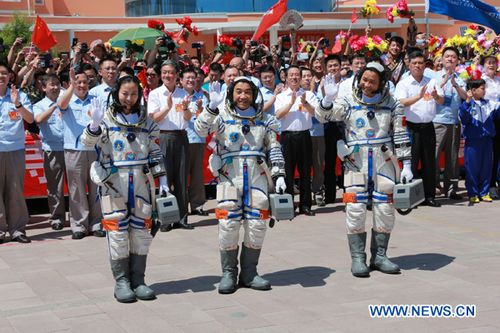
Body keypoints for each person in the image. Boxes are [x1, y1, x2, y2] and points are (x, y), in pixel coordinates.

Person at [315, 62, 413, 277]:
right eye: (364, 79)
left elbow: (401, 134)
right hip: (356, 162)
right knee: (355, 210)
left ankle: (380, 256)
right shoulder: (349, 100)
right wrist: (327, 99)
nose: (367, 84)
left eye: (372, 81)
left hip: (384, 161)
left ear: (381, 84)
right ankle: (358, 259)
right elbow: (323, 117)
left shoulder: (393, 104)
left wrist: (406, 164)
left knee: (384, 210)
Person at [195, 77, 286, 294]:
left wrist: (280, 174)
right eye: (238, 91)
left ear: (254, 95)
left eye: (247, 92)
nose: (243, 96)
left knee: (257, 225)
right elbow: (200, 130)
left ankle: (250, 272)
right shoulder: (221, 116)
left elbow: (274, 146)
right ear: (231, 93)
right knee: (228, 226)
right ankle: (228, 273)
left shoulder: (264, 118)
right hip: (230, 177)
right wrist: (211, 107)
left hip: (257, 178)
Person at [81, 75, 168, 302]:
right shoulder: (105, 119)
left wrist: (164, 181)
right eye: (125, 93)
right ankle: (121, 282)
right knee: (118, 233)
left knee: (141, 233)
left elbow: (155, 152)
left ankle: (138, 280)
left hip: (141, 183)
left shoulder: (146, 123)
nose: (129, 98)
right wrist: (94, 125)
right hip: (114, 184)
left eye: (134, 94)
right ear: (116, 93)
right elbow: (86, 143)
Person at [58, 69, 104, 239]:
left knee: (96, 188)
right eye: (78, 82)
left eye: (85, 82)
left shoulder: (95, 100)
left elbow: (103, 121)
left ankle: (97, 223)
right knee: (76, 190)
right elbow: (61, 105)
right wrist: (71, 85)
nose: (82, 85)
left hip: (94, 149)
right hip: (74, 150)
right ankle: (79, 225)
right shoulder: (67, 98)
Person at [147, 60, 193, 230]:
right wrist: (167, 108)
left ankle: (182, 217)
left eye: (171, 72)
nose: (168, 75)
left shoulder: (183, 94)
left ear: (177, 75)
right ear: (161, 74)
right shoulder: (155, 94)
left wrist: (187, 109)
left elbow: (187, 118)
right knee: (164, 179)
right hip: (163, 138)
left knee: (181, 179)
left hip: (181, 137)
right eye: (164, 72)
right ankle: (166, 219)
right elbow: (153, 119)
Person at [395, 51, 444, 207]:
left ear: (425, 65)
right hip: (411, 128)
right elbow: (401, 102)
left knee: (430, 162)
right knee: (411, 162)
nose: (418, 65)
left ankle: (429, 195)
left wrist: (436, 96)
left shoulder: (432, 81)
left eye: (421, 63)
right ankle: (413, 197)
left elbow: (442, 100)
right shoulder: (404, 83)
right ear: (409, 64)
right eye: (415, 63)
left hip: (428, 126)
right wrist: (418, 96)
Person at [275, 65, 319, 216]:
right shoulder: (281, 96)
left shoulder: (308, 95)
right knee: (287, 172)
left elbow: (315, 113)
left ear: (300, 78)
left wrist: (304, 102)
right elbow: (278, 115)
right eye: (291, 75)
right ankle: (288, 205)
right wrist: (290, 103)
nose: (294, 77)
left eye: (297, 75)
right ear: (286, 78)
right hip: (287, 137)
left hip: (305, 136)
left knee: (306, 171)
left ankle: (305, 205)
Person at [0, 61, 34, 244]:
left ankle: (17, 230)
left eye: (4, 73)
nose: (1, 77)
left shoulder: (18, 95)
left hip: (15, 149)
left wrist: (18, 104)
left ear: (10, 76)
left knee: (15, 191)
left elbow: (30, 118)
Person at [433, 47, 467, 200]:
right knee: (433, 156)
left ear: (457, 60)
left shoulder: (461, 78)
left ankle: (451, 189)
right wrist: (444, 81)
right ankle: (433, 186)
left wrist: (455, 84)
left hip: (454, 122)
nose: (450, 59)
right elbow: (430, 93)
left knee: (452, 158)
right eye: (447, 56)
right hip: (437, 121)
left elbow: (466, 97)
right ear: (441, 59)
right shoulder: (434, 76)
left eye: (453, 57)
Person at [459, 77, 500, 203]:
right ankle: (473, 193)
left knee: (486, 168)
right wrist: (467, 101)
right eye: (482, 88)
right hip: (473, 142)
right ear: (473, 90)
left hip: (487, 140)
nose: (485, 91)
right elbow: (463, 118)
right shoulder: (466, 105)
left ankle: (484, 192)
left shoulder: (489, 104)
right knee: (472, 168)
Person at [33, 74, 66, 230]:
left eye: (57, 84)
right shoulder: (39, 105)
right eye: (51, 85)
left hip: (72, 148)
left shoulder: (68, 102)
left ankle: (79, 216)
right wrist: (55, 106)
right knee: (55, 186)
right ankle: (57, 217)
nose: (55, 87)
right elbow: (38, 120)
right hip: (52, 150)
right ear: (44, 87)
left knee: (76, 185)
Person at [181, 66, 209, 216]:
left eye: (193, 78)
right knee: (182, 175)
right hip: (182, 139)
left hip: (197, 138)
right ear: (181, 80)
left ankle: (198, 205)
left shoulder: (202, 96)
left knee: (197, 175)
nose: (191, 80)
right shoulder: (178, 96)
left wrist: (200, 109)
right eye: (188, 78)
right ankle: (182, 205)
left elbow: (205, 119)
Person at [481, 55, 500, 199]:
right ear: (483, 65)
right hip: (487, 119)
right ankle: (489, 185)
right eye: (489, 63)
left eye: (494, 63)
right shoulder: (481, 81)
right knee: (489, 155)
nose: (492, 65)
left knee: (497, 153)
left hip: (499, 118)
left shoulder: (498, 80)